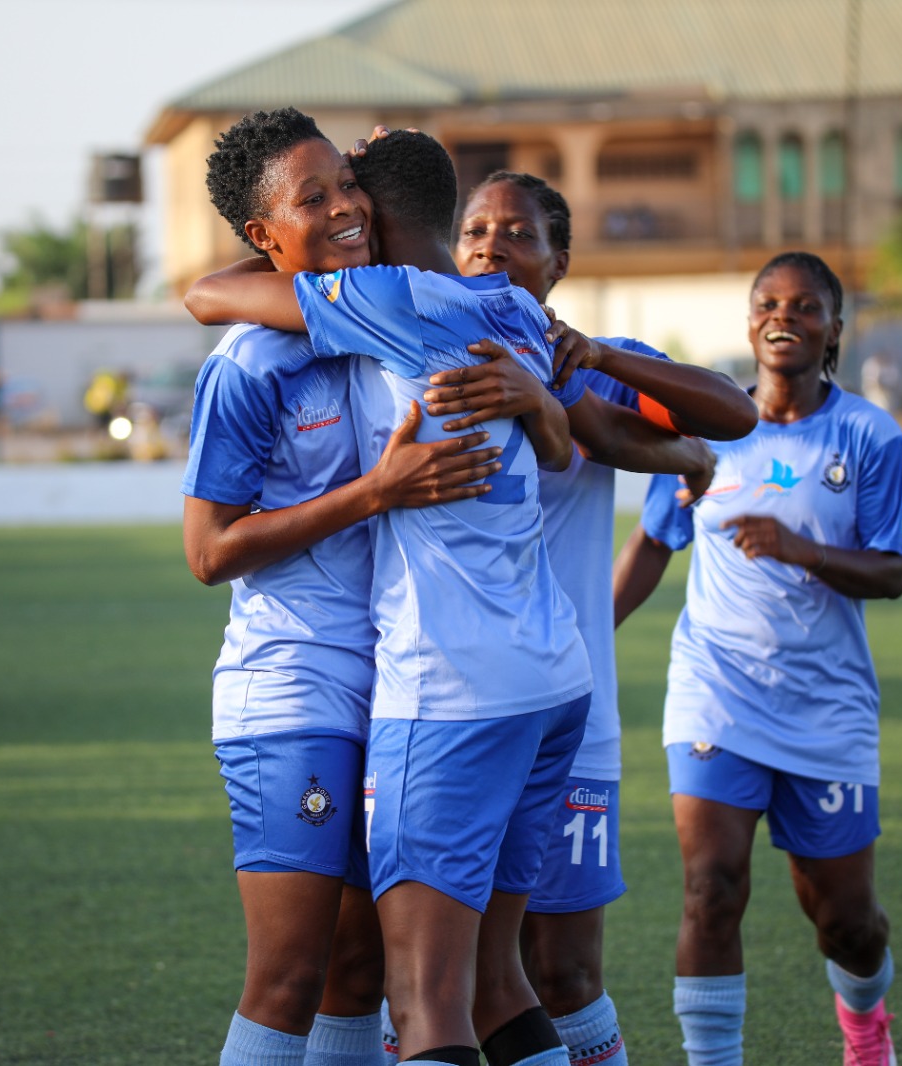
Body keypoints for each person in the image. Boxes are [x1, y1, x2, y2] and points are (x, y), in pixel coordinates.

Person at [188, 127, 600, 1066]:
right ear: (264, 231)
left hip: (429, 687)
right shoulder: (257, 360)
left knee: (395, 978)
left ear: (377, 208)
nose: (339, 209)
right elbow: (207, 551)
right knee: (308, 976)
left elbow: (202, 289)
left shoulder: (379, 310)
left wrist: (542, 407)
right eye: (316, 198)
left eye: (347, 189)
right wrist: (384, 487)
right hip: (300, 686)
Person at [418, 167, 756, 1066]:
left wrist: (599, 365)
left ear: (559, 260)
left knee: (562, 973)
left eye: (518, 233)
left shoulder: (587, 359)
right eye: (475, 231)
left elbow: (734, 413)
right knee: (430, 975)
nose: (491, 245)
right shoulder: (419, 349)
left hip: (571, 713)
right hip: (442, 704)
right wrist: (667, 450)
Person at [613, 252, 902, 1066]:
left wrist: (797, 549)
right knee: (712, 887)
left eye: (807, 307)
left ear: (834, 331)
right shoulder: (702, 428)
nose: (785, 317)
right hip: (717, 692)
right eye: (768, 303)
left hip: (828, 708)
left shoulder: (867, 435)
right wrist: (584, 637)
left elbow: (893, 571)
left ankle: (865, 1025)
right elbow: (651, 544)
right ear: (749, 323)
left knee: (846, 923)